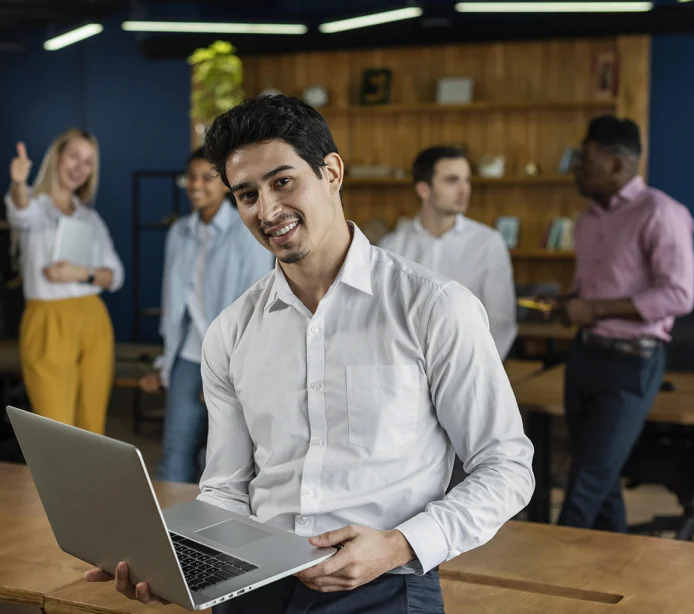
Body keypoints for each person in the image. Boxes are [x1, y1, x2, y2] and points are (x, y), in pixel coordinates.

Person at [86, 95, 534, 612]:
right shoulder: (231, 331)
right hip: (252, 587)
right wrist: (173, 562)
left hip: (385, 585)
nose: (268, 211)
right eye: (247, 194)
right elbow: (227, 488)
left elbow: (505, 466)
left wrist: (402, 544)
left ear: (332, 173)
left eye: (282, 181)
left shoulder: (435, 307)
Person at [554, 115, 694, 532]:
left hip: (632, 362)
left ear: (617, 164)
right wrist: (570, 303)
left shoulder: (661, 212)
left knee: (585, 482)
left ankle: (551, 565)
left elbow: (680, 295)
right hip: (585, 356)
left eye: (586, 158)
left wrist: (594, 310)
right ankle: (620, 574)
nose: (577, 167)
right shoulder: (587, 221)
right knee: (601, 477)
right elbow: (592, 292)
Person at [138, 147, 274, 483]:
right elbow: (174, 307)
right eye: (191, 178)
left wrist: (227, 371)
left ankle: (208, 533)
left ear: (227, 184)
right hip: (187, 356)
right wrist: (164, 363)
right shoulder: (179, 232)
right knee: (175, 453)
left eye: (207, 178)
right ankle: (168, 534)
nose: (196, 185)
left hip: (229, 359)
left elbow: (254, 307)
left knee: (222, 461)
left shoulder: (247, 232)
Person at [5, 129, 124, 434]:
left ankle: (88, 484)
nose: (79, 167)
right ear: (57, 156)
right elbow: (20, 211)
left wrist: (79, 274)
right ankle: (56, 483)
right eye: (74, 156)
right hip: (48, 322)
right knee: (56, 429)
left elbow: (116, 276)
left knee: (92, 426)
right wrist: (19, 183)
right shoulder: (35, 207)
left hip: (93, 319)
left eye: (88, 162)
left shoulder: (90, 219)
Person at [380, 146, 517, 360]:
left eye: (467, 180)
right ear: (424, 189)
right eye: (452, 180)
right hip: (406, 372)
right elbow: (383, 319)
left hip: (472, 367)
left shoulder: (488, 243)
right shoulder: (391, 247)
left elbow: (501, 322)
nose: (465, 190)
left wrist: (479, 373)